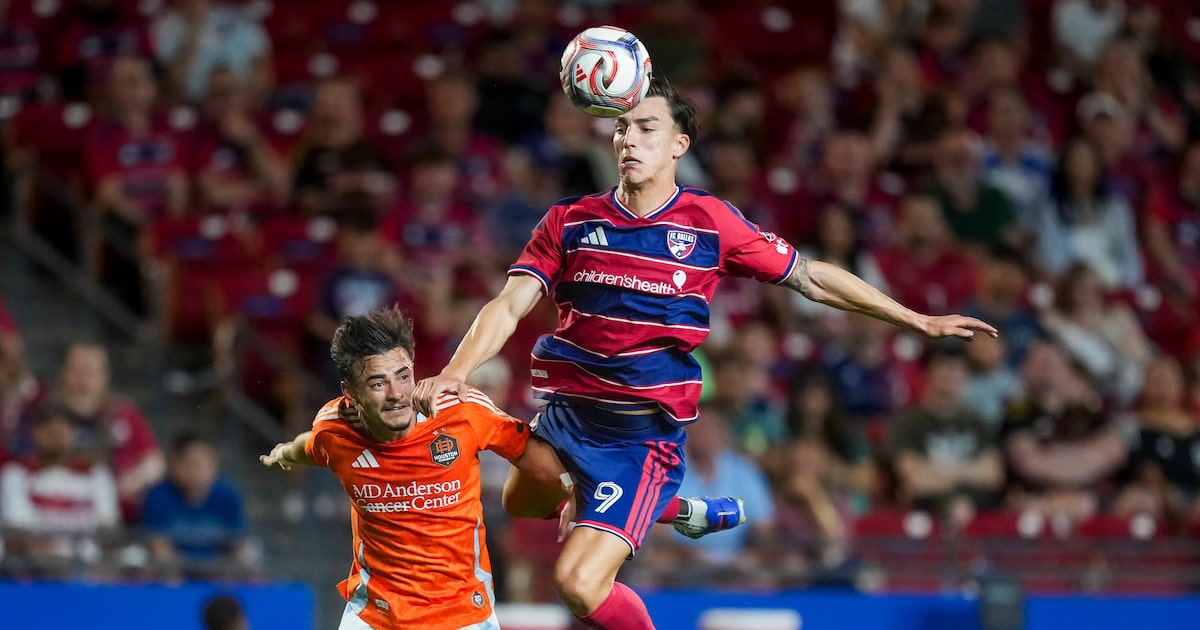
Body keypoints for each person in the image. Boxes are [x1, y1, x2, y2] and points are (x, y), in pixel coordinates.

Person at [413, 76, 997, 629]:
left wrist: (914, 318)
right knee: (519, 504)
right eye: (621, 129)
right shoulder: (570, 220)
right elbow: (510, 304)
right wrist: (454, 371)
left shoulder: (709, 222)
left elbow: (812, 278)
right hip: (566, 418)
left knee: (578, 585)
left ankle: (650, 500)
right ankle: (681, 511)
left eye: (646, 128)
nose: (629, 139)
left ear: (678, 143)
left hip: (639, 438)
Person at [259, 307, 717, 630]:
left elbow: (541, 460)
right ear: (350, 392)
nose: (397, 393)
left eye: (403, 375)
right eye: (377, 383)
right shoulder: (335, 429)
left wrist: (572, 491)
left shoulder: (461, 412)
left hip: (465, 616)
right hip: (373, 616)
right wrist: (281, 454)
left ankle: (679, 510)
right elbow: (309, 446)